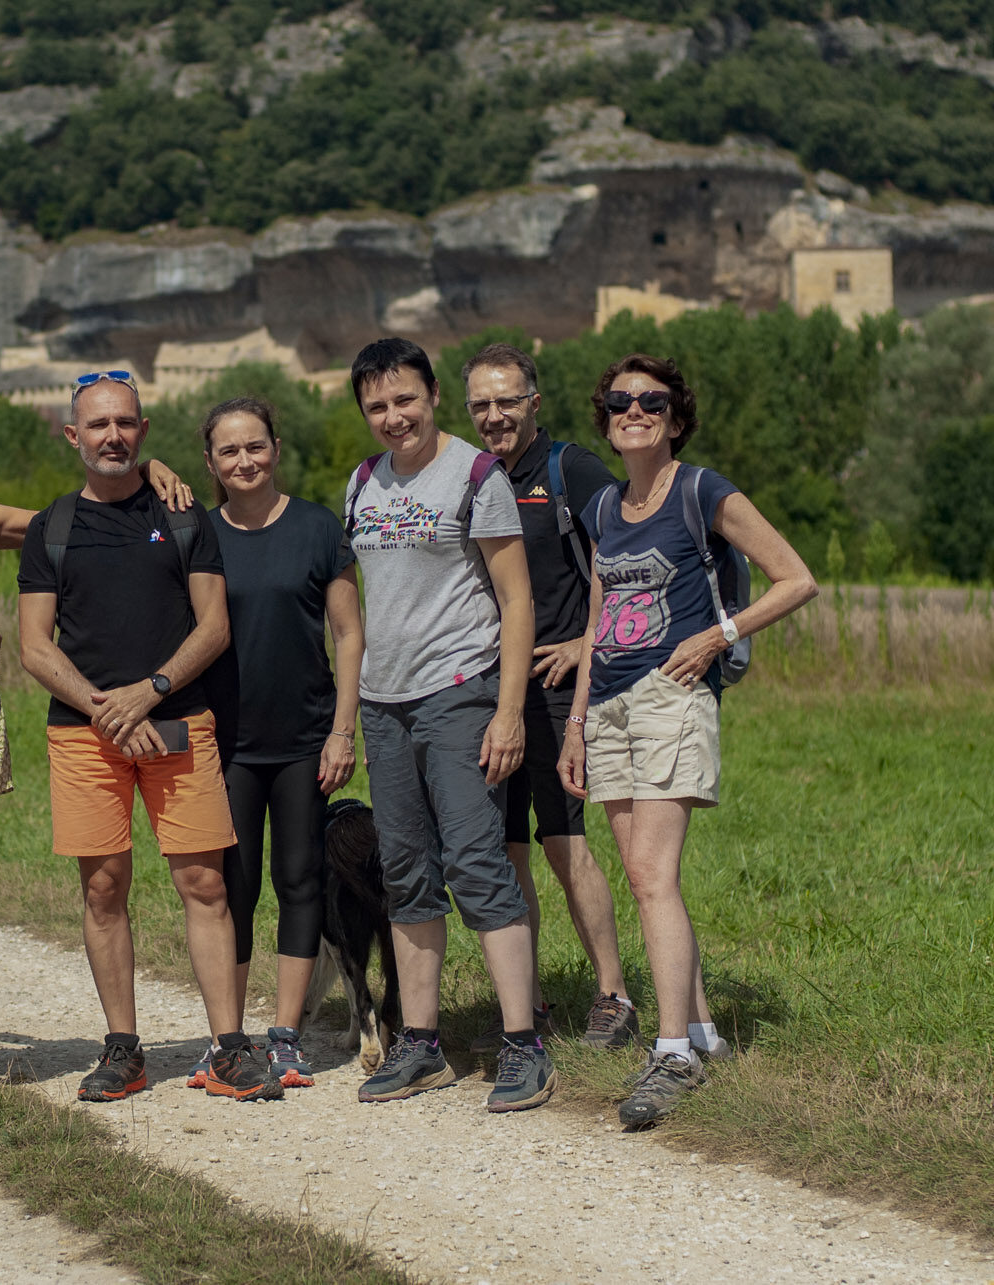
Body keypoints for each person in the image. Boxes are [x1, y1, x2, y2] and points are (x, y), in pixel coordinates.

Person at [557, 353, 817, 1125]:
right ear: (604, 417)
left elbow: (796, 578)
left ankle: (671, 1051)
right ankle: (700, 1029)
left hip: (670, 695)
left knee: (649, 871)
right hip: (605, 703)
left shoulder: (704, 489)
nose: (635, 410)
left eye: (653, 401)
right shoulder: (603, 508)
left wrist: (717, 635)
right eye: (620, 401)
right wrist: (574, 721)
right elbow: (596, 623)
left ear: (675, 416)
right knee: (645, 878)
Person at [18, 371, 283, 1103]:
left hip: (177, 719)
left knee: (203, 882)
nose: (113, 436)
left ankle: (230, 1046)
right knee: (103, 889)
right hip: (85, 731)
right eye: (97, 425)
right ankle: (123, 1048)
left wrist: (151, 691)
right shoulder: (53, 526)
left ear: (142, 429)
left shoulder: (184, 513)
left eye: (125, 423)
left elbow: (214, 625)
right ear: (73, 436)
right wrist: (108, 708)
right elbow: (35, 645)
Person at [343, 337, 554, 1112]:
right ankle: (421, 1043)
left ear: (432, 394)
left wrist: (507, 711)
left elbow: (517, 599)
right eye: (377, 406)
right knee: (405, 869)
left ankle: (523, 1043)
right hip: (384, 701)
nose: (393, 417)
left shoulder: (475, 476)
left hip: (460, 694)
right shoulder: (361, 482)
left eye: (405, 399)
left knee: (476, 861)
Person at [461, 343, 639, 1051]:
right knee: (506, 852)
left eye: (508, 401)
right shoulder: (473, 477)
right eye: (482, 404)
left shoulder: (571, 469)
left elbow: (621, 559)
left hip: (562, 692)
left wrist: (584, 644)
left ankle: (612, 994)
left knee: (565, 844)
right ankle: (526, 1003)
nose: (495, 415)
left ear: (535, 403)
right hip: (487, 691)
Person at [195, 396, 364, 1089]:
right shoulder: (197, 535)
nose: (244, 461)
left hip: (303, 738)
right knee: (232, 889)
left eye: (255, 446)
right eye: (229, 451)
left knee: (299, 882)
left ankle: (286, 1035)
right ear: (210, 462)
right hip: (225, 743)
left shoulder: (319, 527)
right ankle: (227, 1040)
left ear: (277, 446)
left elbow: (350, 634)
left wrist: (341, 729)